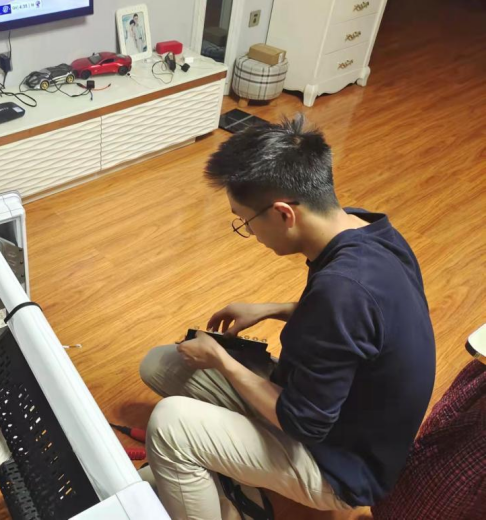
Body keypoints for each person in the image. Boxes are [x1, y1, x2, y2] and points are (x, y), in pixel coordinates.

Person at [139, 115, 436, 519]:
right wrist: (271, 309)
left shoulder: (343, 290)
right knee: (161, 364)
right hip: (334, 406)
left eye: (245, 221)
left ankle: (222, 487)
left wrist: (222, 361)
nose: (249, 233)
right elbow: (362, 325)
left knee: (170, 425)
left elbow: (304, 423)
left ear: (283, 214)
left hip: (340, 465)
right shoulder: (368, 230)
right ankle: (229, 479)